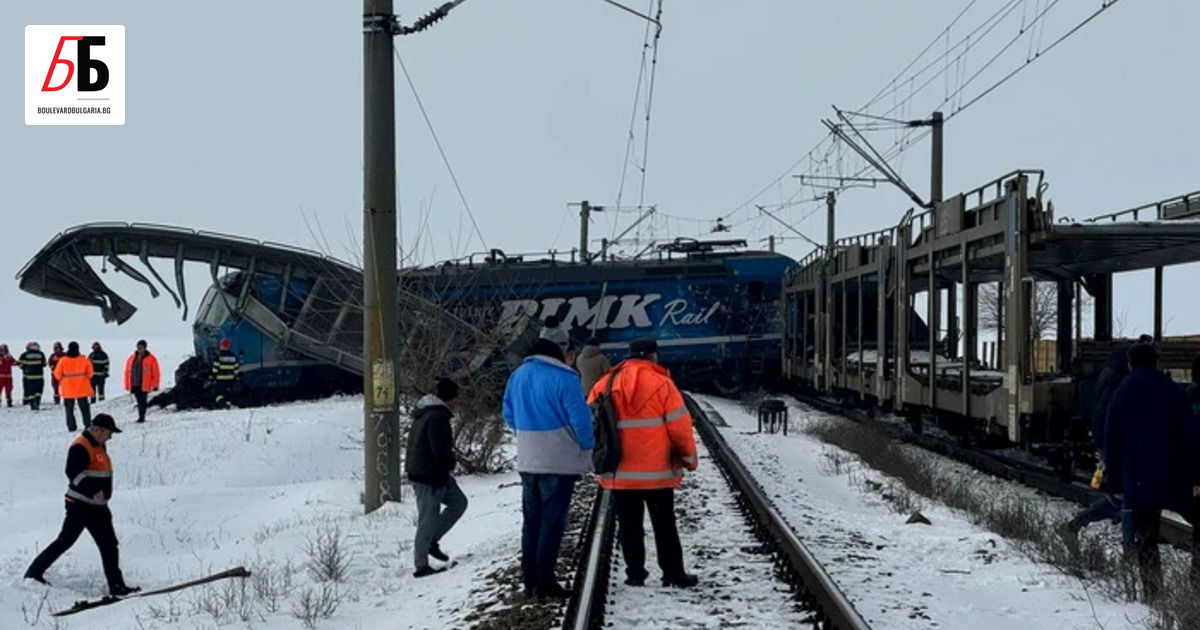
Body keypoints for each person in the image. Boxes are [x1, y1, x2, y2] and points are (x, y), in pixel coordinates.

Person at [589, 337, 700, 589]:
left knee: (629, 525)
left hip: (620, 470)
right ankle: (673, 573)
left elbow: (592, 424)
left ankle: (635, 574)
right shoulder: (662, 383)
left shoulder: (606, 383)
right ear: (652, 356)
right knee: (664, 524)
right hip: (657, 471)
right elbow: (680, 428)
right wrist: (689, 460)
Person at [502, 338, 594, 599]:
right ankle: (545, 582)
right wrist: (587, 446)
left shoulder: (517, 376)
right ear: (557, 355)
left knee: (531, 523)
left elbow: (508, 414)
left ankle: (529, 580)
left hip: (528, 460)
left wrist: (527, 436)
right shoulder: (565, 378)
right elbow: (581, 420)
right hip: (558, 461)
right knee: (551, 524)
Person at [1105, 342, 1192, 601]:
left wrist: (1114, 481)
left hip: (1138, 476)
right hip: (1174, 473)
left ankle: (1153, 593)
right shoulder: (1174, 390)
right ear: (1157, 363)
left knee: (1146, 537)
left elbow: (1112, 441)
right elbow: (1190, 435)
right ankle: (1195, 585)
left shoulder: (1122, 392)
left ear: (1130, 364)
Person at [25, 414, 138, 597]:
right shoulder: (81, 446)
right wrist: (92, 490)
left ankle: (117, 586)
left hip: (97, 507)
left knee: (108, 545)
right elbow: (72, 473)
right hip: (80, 506)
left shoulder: (98, 444)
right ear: (97, 430)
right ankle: (33, 573)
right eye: (109, 433)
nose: (110, 437)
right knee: (67, 541)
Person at [1064, 349, 1131, 542]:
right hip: (1119, 445)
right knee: (1127, 497)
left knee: (1122, 496)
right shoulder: (1120, 384)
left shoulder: (1107, 379)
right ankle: (1131, 548)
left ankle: (1077, 523)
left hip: (1109, 443)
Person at [406, 377, 469, 578]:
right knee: (427, 519)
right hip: (428, 476)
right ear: (450, 398)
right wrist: (450, 463)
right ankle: (421, 566)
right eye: (456, 396)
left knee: (458, 503)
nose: (458, 401)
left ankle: (432, 542)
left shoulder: (428, 412)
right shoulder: (437, 417)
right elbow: (439, 450)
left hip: (432, 473)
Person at [54, 342, 95, 432]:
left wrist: (63, 380)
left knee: (69, 409)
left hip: (68, 388)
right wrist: (84, 379)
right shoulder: (84, 360)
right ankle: (87, 424)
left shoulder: (63, 360)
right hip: (82, 388)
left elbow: (57, 374)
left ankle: (71, 426)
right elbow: (91, 373)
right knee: (84, 408)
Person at [124, 340, 161, 423]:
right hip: (134, 383)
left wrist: (155, 385)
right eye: (138, 347)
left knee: (142, 401)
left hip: (144, 384)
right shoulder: (132, 358)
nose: (139, 349)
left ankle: (141, 417)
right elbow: (127, 372)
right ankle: (140, 415)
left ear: (145, 348)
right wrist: (127, 385)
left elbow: (156, 373)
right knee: (138, 400)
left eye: (141, 347)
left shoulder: (151, 359)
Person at [210, 338, 240, 409]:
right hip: (230, 379)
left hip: (220, 379)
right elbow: (236, 369)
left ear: (221, 346)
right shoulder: (233, 357)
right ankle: (229, 404)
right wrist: (237, 378)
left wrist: (212, 377)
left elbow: (215, 369)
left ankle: (222, 404)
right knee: (228, 393)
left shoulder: (219, 357)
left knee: (217, 393)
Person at [19, 341, 47, 410]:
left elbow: (21, 365)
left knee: (31, 391)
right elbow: (44, 364)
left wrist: (26, 368)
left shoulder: (24, 355)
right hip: (39, 376)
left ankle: (32, 404)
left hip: (29, 377)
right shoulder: (41, 354)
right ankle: (37, 402)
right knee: (38, 391)